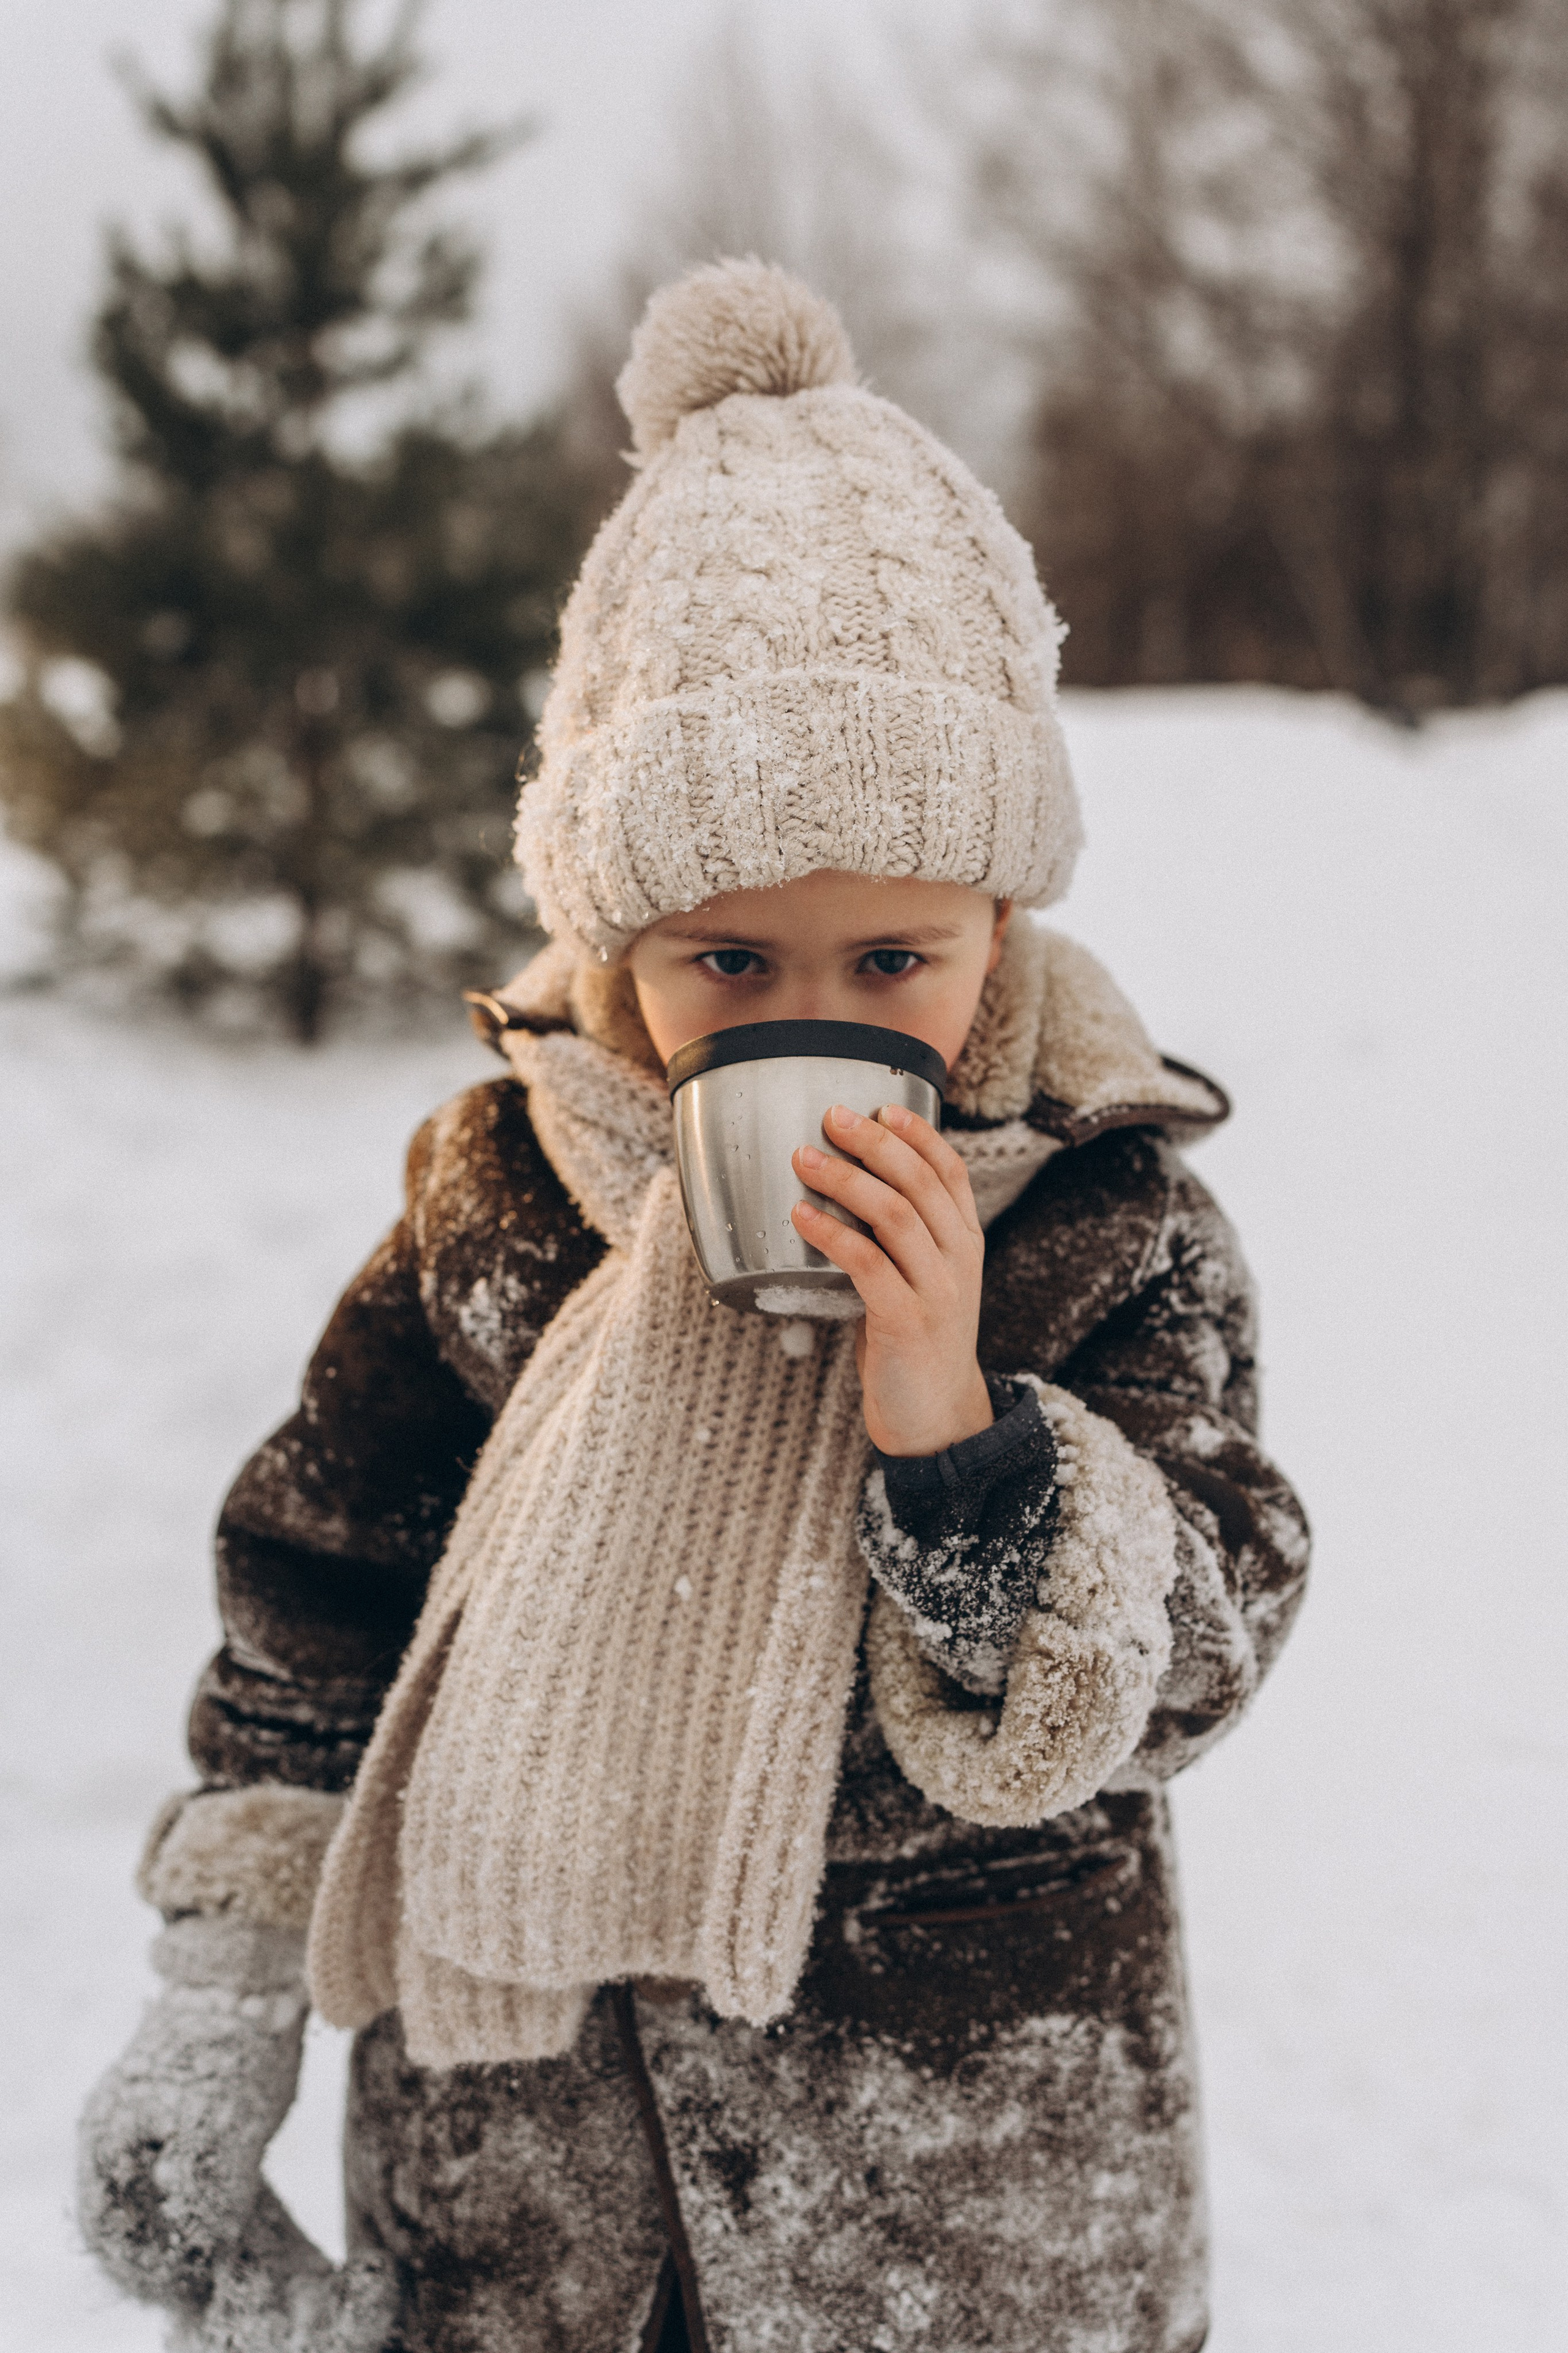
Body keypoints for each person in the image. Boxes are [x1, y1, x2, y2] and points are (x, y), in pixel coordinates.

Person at [79, 260, 1309, 2353]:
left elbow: (1204, 1638)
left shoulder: (1106, 1220)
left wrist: (967, 1442)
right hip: (531, 2199)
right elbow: (318, 1592)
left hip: (953, 2213)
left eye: (894, 962)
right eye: (727, 965)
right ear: (610, 937)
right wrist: (223, 1995)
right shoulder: (502, 1197)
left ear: (998, 924)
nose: (812, 1021)